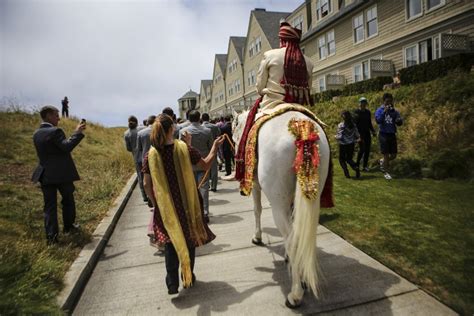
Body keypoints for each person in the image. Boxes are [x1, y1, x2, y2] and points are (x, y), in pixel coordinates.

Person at [141, 114, 224, 295]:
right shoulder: (184, 149)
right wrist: (215, 147)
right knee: (189, 239)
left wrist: (155, 202)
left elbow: (146, 183)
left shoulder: (150, 155)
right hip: (187, 203)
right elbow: (205, 165)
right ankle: (188, 276)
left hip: (166, 207)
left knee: (170, 242)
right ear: (172, 129)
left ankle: (172, 282)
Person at [235, 21, 313, 181]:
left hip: (271, 105)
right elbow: (308, 89)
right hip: (300, 108)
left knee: (249, 133)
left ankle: (249, 170)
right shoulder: (309, 62)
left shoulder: (270, 55)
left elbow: (259, 87)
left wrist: (265, 91)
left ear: (282, 40)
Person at [31, 105, 86, 244]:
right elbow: (66, 147)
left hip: (45, 175)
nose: (59, 118)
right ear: (48, 116)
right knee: (67, 200)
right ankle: (69, 227)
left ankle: (51, 237)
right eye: (56, 115)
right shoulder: (55, 131)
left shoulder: (36, 134)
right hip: (61, 174)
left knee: (49, 206)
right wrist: (77, 132)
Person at [180, 110, 213, 222]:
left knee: (191, 189)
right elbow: (211, 147)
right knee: (204, 189)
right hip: (203, 162)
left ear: (189, 118)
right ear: (200, 118)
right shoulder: (207, 131)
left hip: (189, 164)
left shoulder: (183, 131)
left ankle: (193, 213)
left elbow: (181, 149)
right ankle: (205, 213)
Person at [375, 93, 403, 180]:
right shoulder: (379, 110)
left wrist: (399, 121)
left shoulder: (394, 111)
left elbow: (399, 122)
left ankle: (382, 161)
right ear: (384, 101)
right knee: (386, 154)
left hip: (392, 134)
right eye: (387, 101)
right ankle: (386, 172)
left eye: (390, 101)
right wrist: (384, 112)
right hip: (383, 134)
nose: (389, 103)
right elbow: (378, 121)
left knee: (394, 155)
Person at [124, 115, 147, 202]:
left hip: (136, 158)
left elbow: (128, 148)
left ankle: (144, 196)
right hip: (145, 156)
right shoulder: (142, 130)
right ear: (137, 122)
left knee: (140, 177)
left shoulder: (126, 133)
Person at [335, 111, 360, 179]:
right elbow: (357, 134)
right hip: (351, 144)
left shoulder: (341, 125)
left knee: (341, 159)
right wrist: (358, 139)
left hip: (343, 144)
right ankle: (356, 167)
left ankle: (346, 172)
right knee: (349, 159)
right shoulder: (353, 125)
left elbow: (339, 136)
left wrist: (335, 137)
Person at [136, 115, 156, 202]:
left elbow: (139, 148)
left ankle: (150, 198)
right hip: (157, 157)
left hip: (145, 158)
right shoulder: (159, 131)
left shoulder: (140, 133)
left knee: (147, 181)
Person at [354, 97, 376, 171]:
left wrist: (373, 131)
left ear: (366, 104)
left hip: (367, 133)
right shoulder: (356, 112)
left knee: (367, 150)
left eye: (364, 102)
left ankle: (364, 166)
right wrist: (356, 135)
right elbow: (354, 124)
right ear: (359, 103)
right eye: (361, 102)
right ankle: (357, 165)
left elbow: (369, 123)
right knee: (362, 149)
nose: (362, 104)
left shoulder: (368, 112)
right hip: (359, 134)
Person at [201, 112, 221, 192]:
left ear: (202, 119)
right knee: (213, 169)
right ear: (208, 118)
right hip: (213, 149)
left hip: (203, 150)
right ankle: (214, 186)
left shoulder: (201, 127)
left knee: (204, 169)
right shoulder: (214, 127)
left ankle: (206, 185)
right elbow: (219, 136)